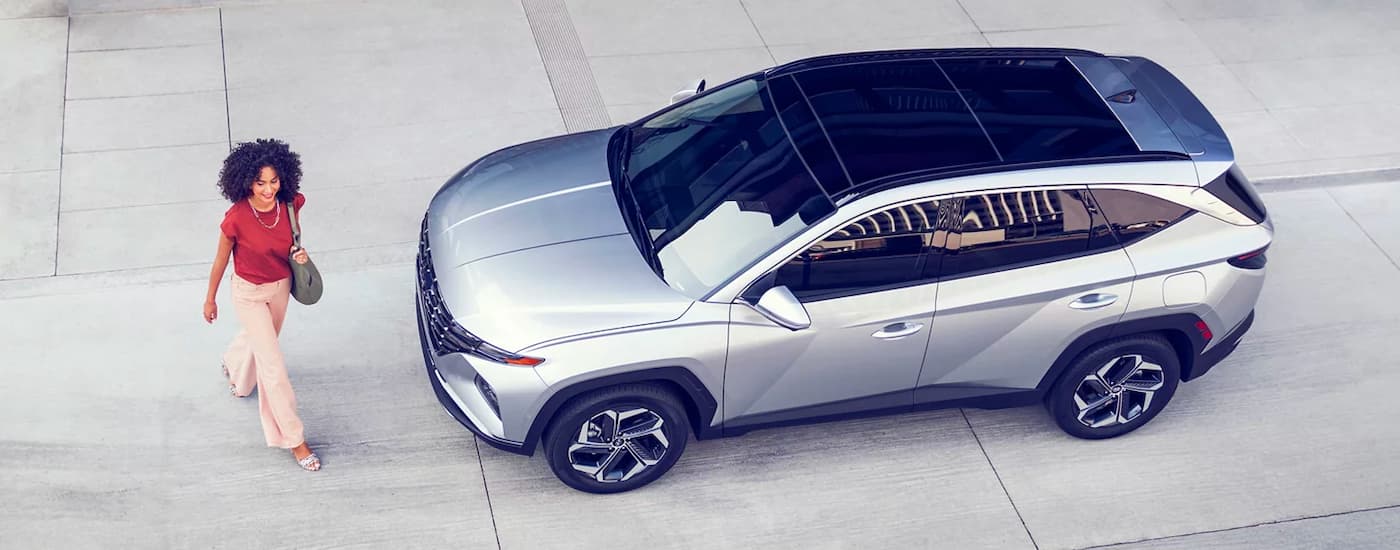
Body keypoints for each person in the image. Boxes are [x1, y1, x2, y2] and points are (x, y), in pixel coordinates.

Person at [202, 138, 321, 472]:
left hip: (281, 287)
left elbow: (292, 240)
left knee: (261, 340)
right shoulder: (236, 218)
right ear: (246, 182)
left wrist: (299, 255)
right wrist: (210, 298)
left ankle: (234, 366)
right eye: (260, 183)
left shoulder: (291, 204)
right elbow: (220, 260)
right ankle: (294, 440)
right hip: (249, 293)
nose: (269, 190)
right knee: (273, 367)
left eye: (274, 181)